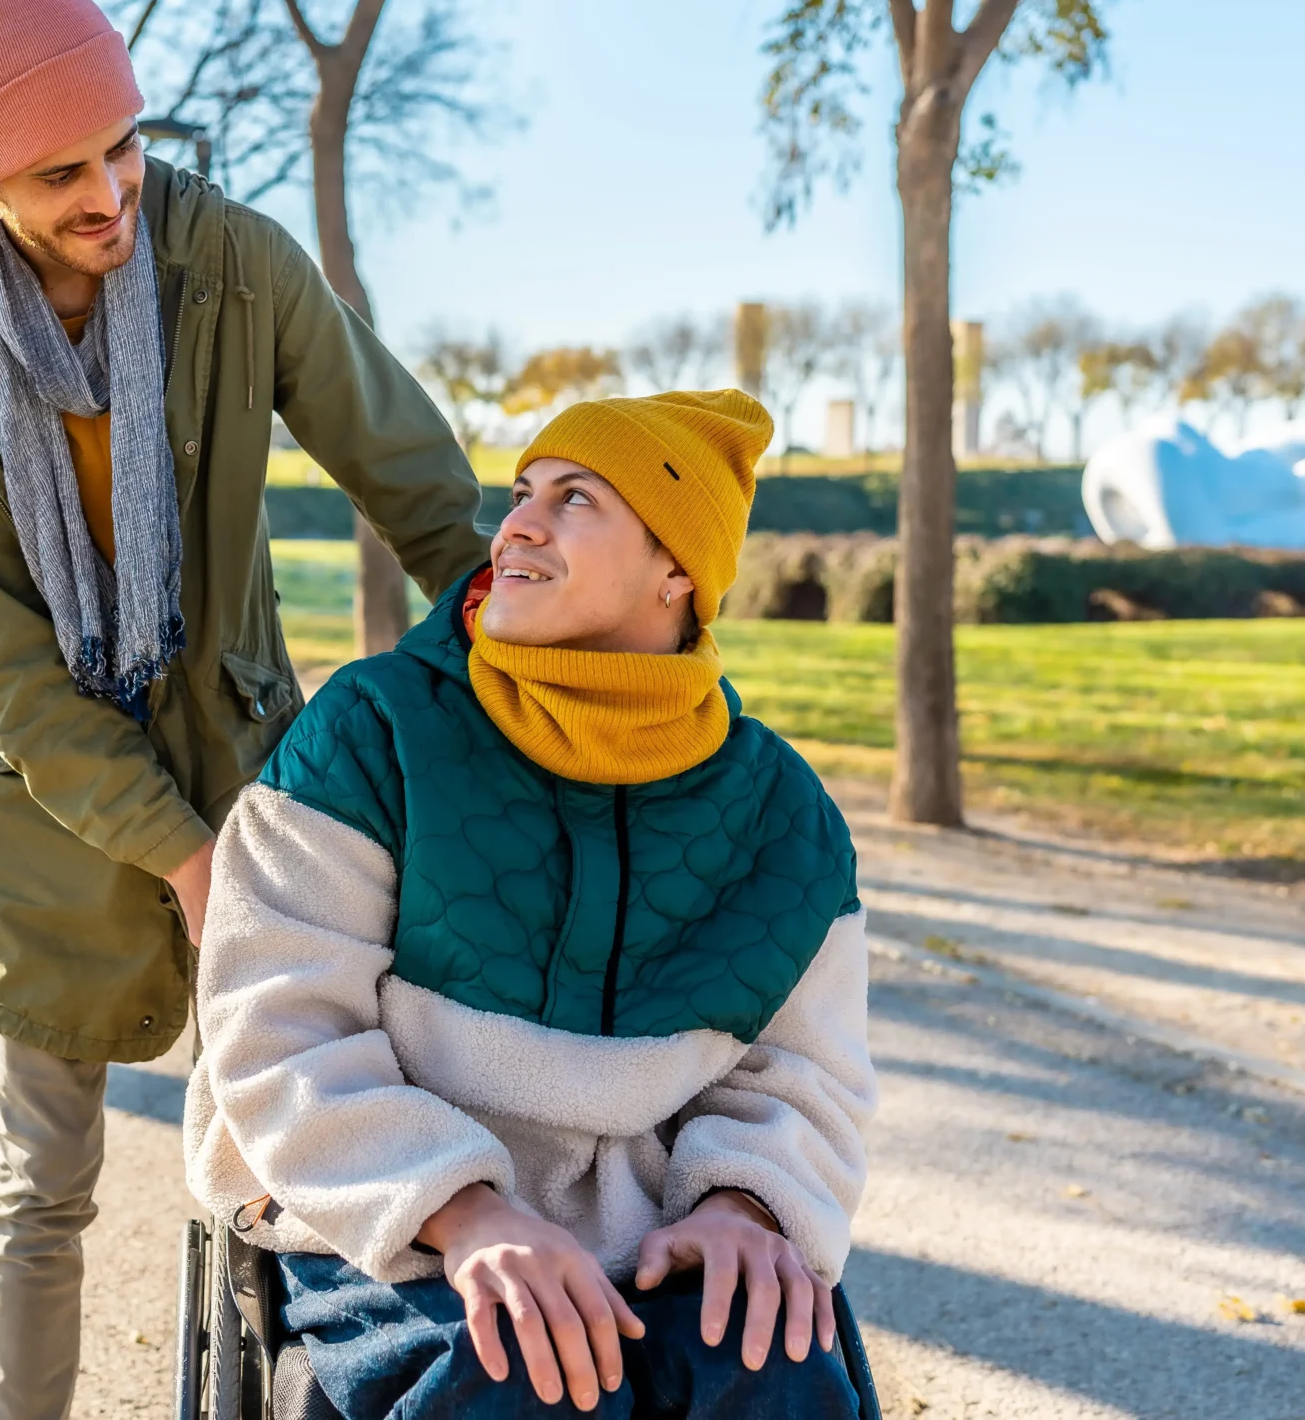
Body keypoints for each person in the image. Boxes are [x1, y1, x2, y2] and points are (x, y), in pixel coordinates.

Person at [0, 0, 487, 1420]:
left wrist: (542, 651)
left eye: (123, 147)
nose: (110, 192)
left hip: (256, 771)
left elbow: (421, 487)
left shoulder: (230, 263)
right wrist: (179, 858)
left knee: (292, 1162)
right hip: (51, 798)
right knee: (43, 1179)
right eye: (60, 172)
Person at [186, 391, 874, 1420]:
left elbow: (807, 1077)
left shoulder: (784, 815)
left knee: (770, 1366)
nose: (516, 525)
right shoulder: (368, 734)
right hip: (388, 1216)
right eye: (520, 493)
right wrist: (463, 1213)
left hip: (654, 1229)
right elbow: (278, 1032)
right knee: (524, 1374)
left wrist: (744, 1205)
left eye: (574, 498)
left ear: (678, 571)